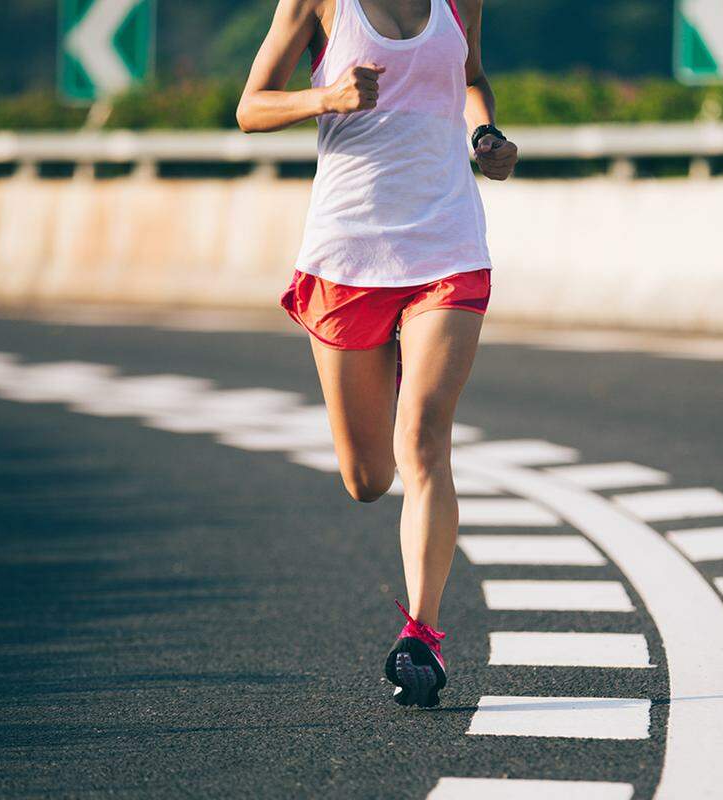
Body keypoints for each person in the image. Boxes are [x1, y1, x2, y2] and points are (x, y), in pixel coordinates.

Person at [236, 0, 517, 708]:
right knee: (368, 477)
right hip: (348, 256)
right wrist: (327, 97)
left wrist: (484, 133)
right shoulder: (319, 4)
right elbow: (250, 108)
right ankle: (387, 371)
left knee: (424, 440)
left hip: (446, 245)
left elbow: (471, 74)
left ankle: (421, 636)